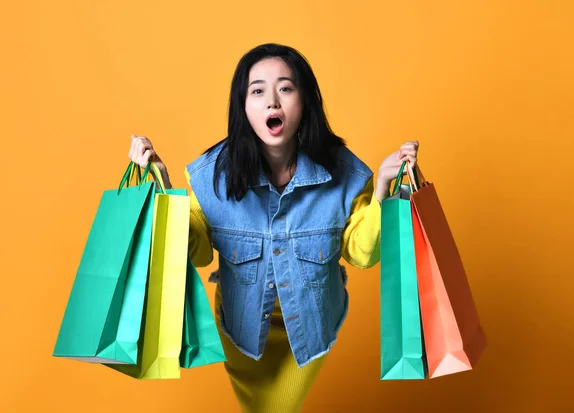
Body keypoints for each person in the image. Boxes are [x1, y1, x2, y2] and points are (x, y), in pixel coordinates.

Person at [128, 43, 419, 413]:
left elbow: (361, 253)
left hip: (312, 332)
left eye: (285, 88)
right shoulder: (210, 176)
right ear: (243, 106)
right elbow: (197, 252)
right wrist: (163, 188)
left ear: (305, 100)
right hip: (242, 333)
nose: (272, 102)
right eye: (257, 91)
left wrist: (382, 192)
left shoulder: (346, 174)